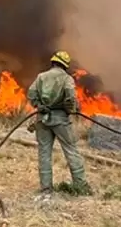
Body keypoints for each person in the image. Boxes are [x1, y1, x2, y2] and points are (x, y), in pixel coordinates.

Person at [26, 50, 92, 200]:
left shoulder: (41, 77)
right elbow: (70, 97)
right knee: (71, 150)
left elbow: (31, 94)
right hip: (60, 119)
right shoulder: (66, 78)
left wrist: (39, 105)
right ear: (65, 66)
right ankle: (81, 186)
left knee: (44, 153)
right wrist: (71, 110)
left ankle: (46, 188)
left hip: (42, 119)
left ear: (53, 62)